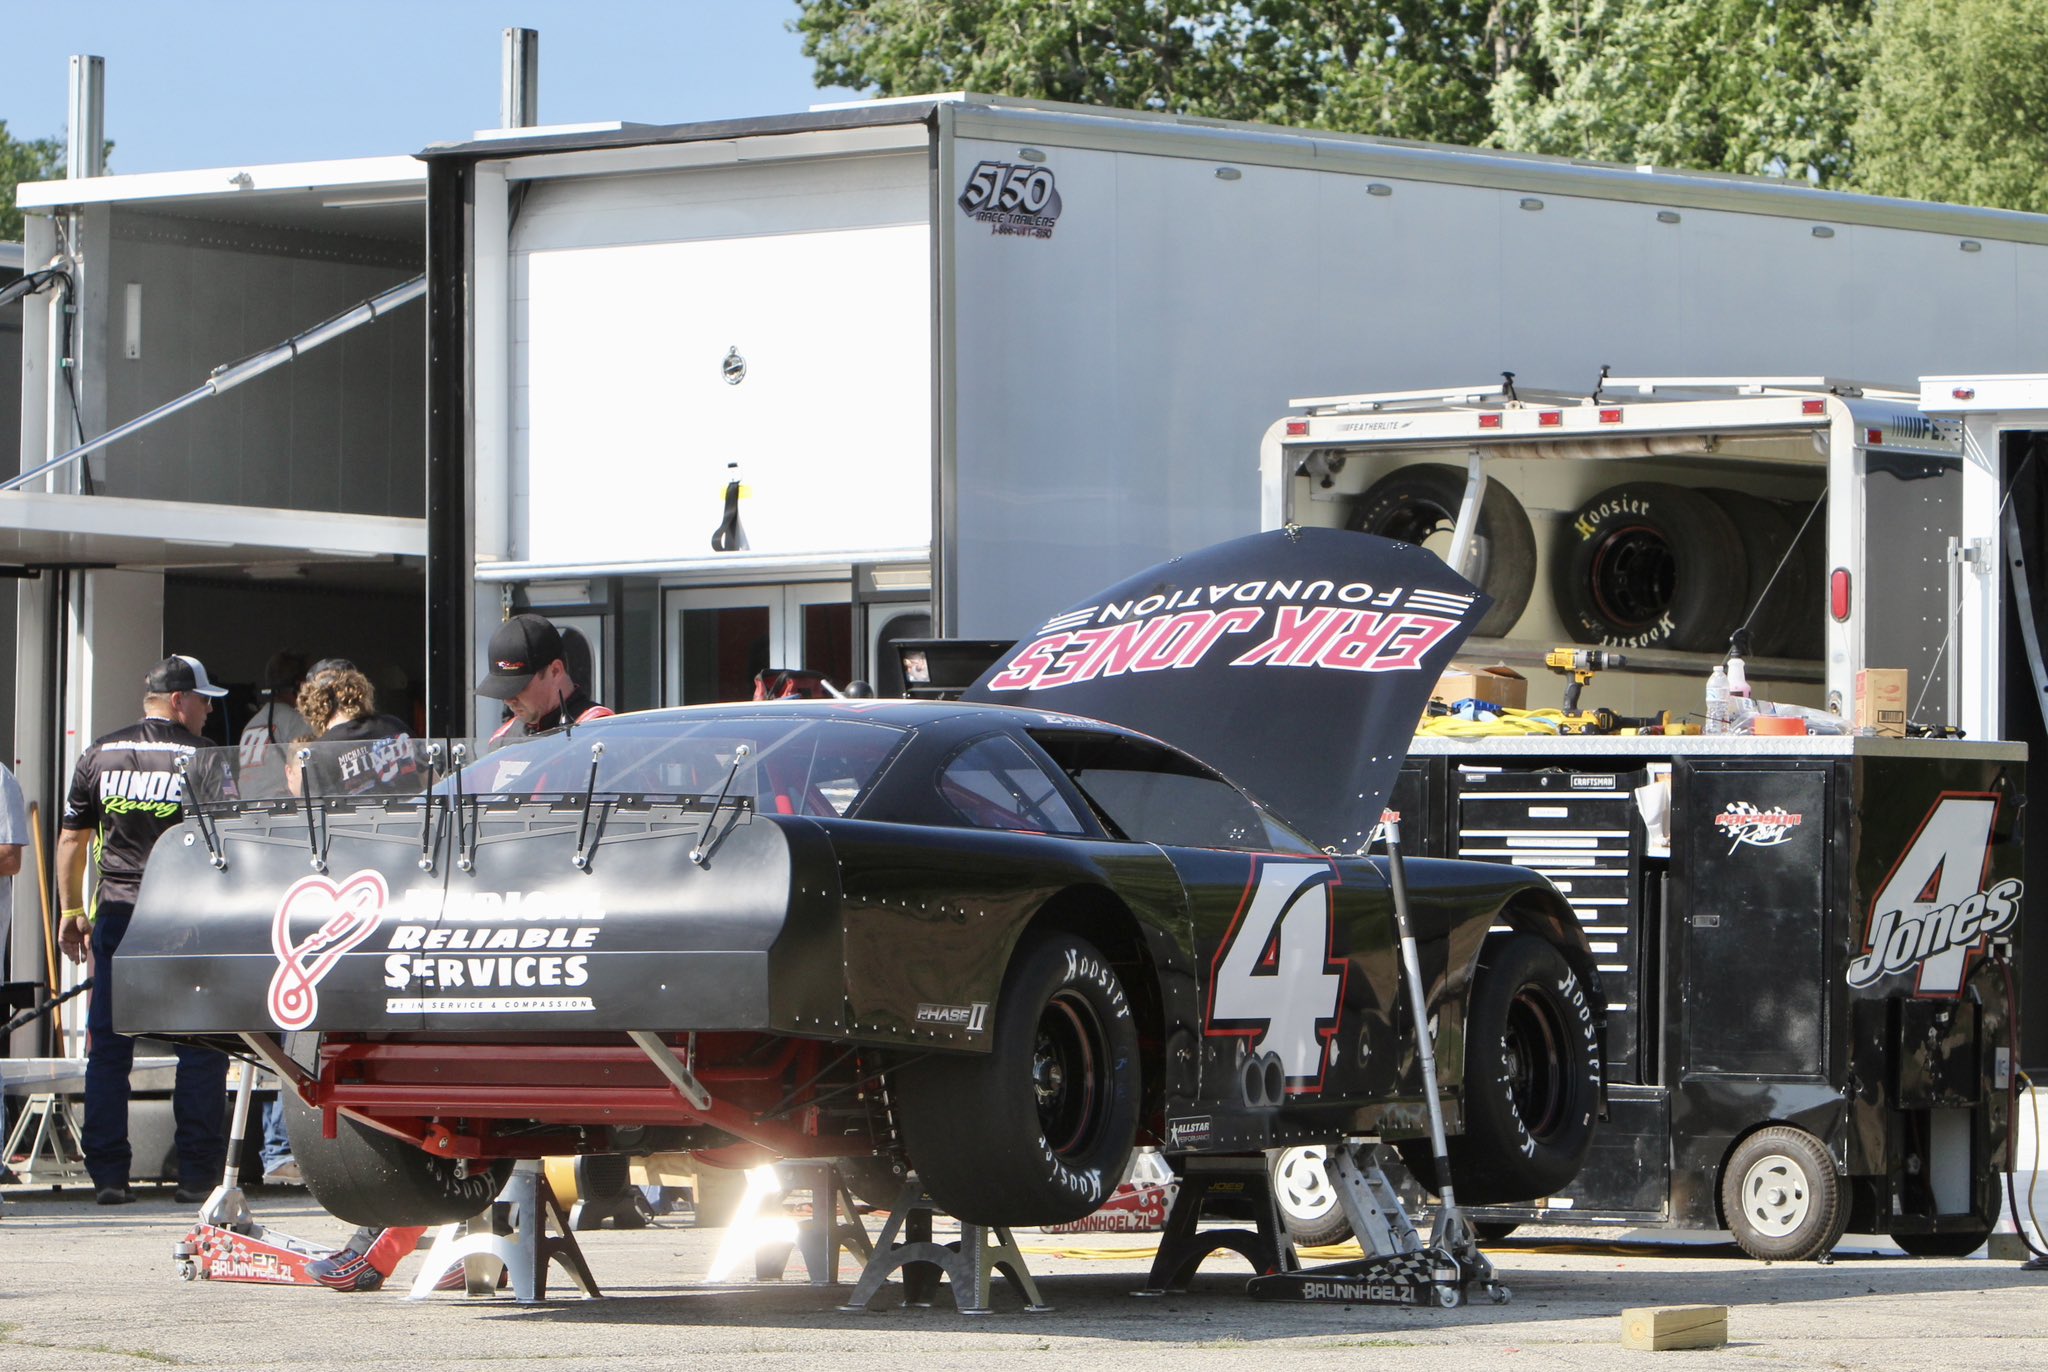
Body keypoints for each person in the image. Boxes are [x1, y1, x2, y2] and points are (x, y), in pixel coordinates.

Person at [56, 655, 233, 1205]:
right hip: (188, 915)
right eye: (203, 700)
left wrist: (69, 912)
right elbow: (231, 840)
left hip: (119, 912)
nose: (208, 711)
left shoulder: (99, 753)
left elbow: (72, 842)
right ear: (178, 701)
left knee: (109, 1045)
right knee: (201, 1044)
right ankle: (198, 1176)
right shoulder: (205, 757)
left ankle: (108, 1175)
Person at [477, 614, 613, 745]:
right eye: (503, 691)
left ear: (555, 671)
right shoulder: (502, 740)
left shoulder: (598, 730)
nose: (508, 701)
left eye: (519, 687)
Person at [296, 660, 419, 797]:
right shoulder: (394, 726)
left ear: (312, 703)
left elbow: (312, 815)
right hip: (411, 818)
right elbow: (433, 787)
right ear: (360, 689)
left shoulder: (318, 753)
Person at [235, 651, 309, 801]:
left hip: (248, 812)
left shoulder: (251, 724)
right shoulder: (297, 722)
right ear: (299, 686)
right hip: (281, 812)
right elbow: (311, 774)